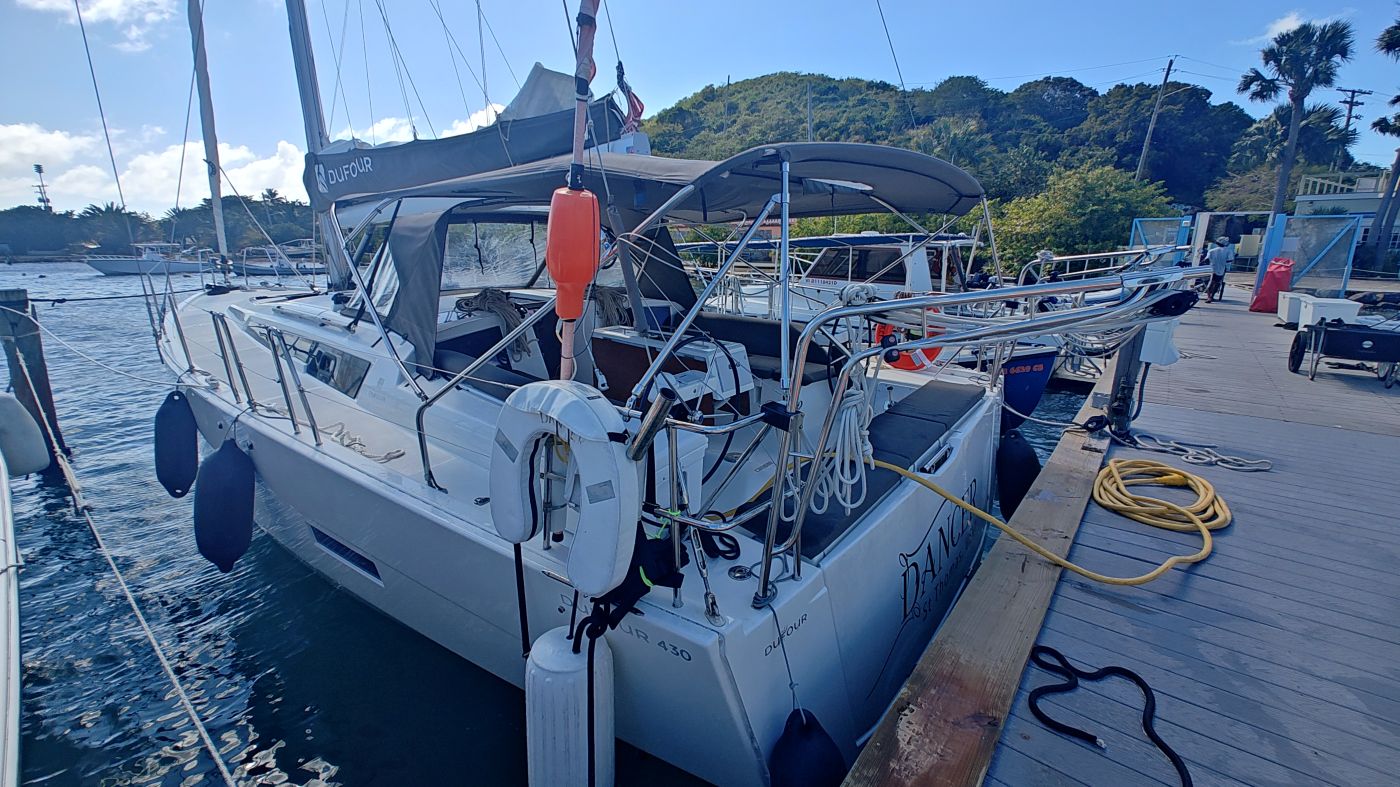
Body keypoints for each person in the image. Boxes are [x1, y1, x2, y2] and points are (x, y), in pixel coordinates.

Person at [1204, 236, 1234, 303]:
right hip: (1221, 269)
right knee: (1217, 283)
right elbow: (1230, 260)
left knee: (1209, 282)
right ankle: (1212, 296)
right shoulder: (1228, 251)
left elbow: (1206, 259)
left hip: (1211, 268)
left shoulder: (1211, 251)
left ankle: (1208, 297)